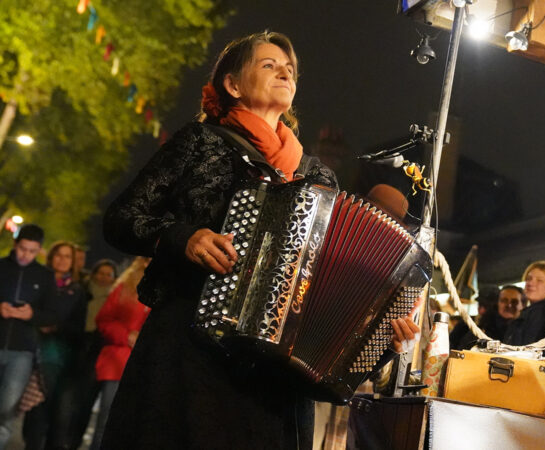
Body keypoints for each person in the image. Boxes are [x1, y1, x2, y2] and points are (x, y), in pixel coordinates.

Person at [102, 31, 419, 449]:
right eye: (268, 65)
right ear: (232, 85)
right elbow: (123, 218)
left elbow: (333, 294)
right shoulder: (200, 142)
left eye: (289, 69)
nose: (284, 72)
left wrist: (378, 333)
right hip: (193, 352)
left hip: (276, 383)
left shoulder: (318, 176)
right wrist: (184, 238)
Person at [23, 241, 88, 450]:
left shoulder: (77, 291)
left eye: (67, 256)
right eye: (58, 255)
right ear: (51, 257)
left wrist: (55, 326)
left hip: (62, 358)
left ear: (72, 262)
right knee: (34, 415)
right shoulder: (38, 281)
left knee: (57, 416)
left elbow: (78, 328)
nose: (62, 260)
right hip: (33, 350)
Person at [48, 259, 119, 449]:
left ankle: (72, 442)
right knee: (65, 401)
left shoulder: (116, 297)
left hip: (98, 353)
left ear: (114, 278)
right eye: (101, 273)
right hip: (76, 348)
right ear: (94, 274)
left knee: (85, 403)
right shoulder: (81, 292)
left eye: (108, 274)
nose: (104, 277)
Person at [0, 224, 57, 449]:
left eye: (32, 251)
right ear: (15, 244)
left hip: (22, 352)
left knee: (7, 408)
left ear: (39, 250)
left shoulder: (44, 276)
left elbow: (52, 315)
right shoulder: (2, 267)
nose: (26, 255)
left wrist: (33, 314)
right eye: (23, 249)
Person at [91, 257, 151, 450]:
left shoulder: (167, 293)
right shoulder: (124, 288)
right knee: (107, 421)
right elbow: (104, 320)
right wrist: (127, 336)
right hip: (118, 362)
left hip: (145, 367)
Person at [504, 261, 545, 346]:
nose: (530, 283)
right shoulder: (537, 312)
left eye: (539, 280)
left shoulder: (539, 312)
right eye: (529, 278)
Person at [452, 285, 525, 350]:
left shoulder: (525, 328)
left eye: (487, 307)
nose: (509, 305)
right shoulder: (469, 325)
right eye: (480, 305)